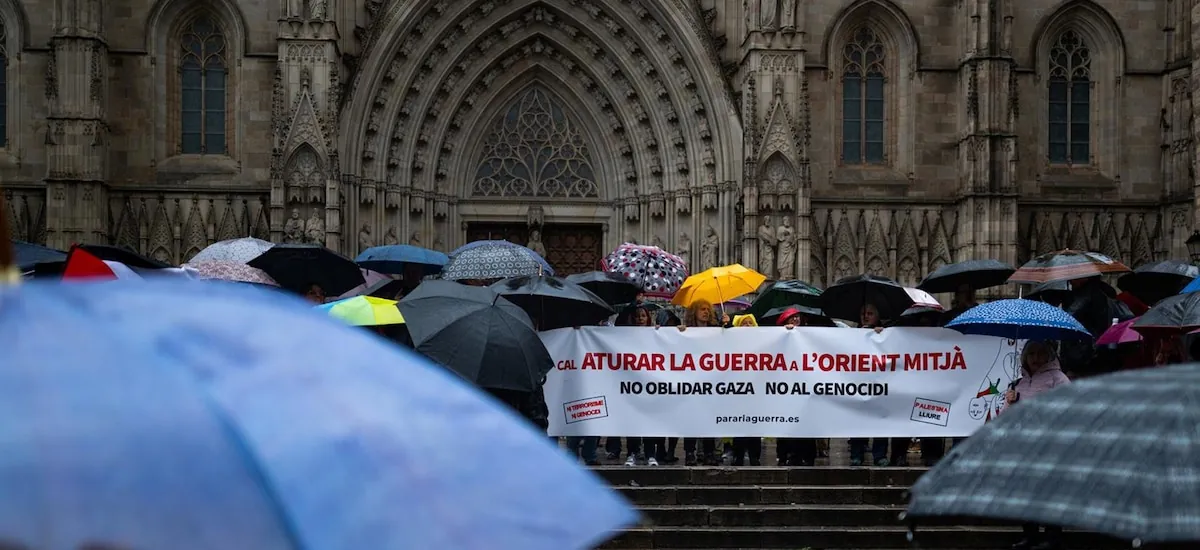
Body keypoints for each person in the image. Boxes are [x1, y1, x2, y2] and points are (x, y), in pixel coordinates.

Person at [1006, 340, 1069, 550]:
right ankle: (1030, 535)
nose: (1035, 358)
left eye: (1040, 353)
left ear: (1049, 356)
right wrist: (1010, 403)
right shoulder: (1017, 384)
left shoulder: (1058, 380)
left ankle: (1052, 537)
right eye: (1031, 353)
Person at [677, 300, 723, 465]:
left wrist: (727, 325)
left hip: (711, 382)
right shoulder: (686, 331)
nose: (706, 312)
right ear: (694, 312)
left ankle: (709, 453)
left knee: (709, 419)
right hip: (691, 381)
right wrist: (678, 332)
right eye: (702, 309)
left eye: (708, 310)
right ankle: (690, 452)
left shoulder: (717, 331)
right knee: (691, 419)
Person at [774, 308, 819, 466]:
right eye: (791, 318)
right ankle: (786, 454)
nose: (795, 320)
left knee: (806, 422)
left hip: (805, 385)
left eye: (797, 317)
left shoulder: (809, 335)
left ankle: (807, 455)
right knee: (786, 422)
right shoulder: (778, 336)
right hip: (785, 387)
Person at [850, 303, 890, 467]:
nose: (865, 316)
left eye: (870, 313)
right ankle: (856, 454)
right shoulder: (851, 334)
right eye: (862, 314)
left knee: (881, 420)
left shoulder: (886, 333)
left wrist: (882, 334)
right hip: (859, 383)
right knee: (857, 420)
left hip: (879, 383)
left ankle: (879, 455)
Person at [729, 314, 761, 466]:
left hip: (756, 389)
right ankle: (738, 455)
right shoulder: (732, 342)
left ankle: (755, 455)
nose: (747, 326)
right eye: (744, 323)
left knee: (755, 423)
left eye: (750, 323)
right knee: (738, 422)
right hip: (737, 389)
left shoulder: (762, 343)